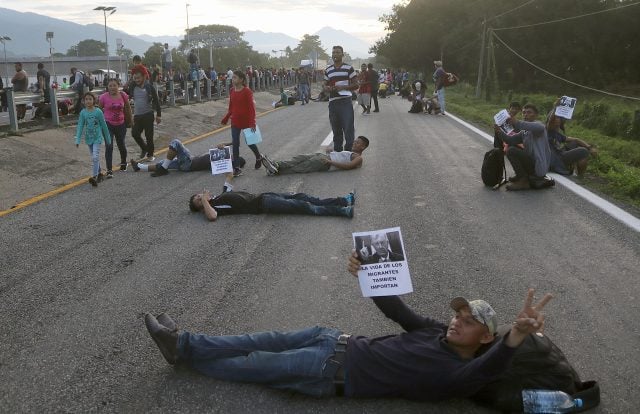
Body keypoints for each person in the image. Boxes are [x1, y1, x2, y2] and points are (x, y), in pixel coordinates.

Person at [144, 253, 553, 402]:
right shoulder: (435, 333)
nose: (456, 323)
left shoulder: (460, 374)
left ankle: (184, 354)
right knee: (257, 339)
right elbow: (400, 314)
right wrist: (368, 276)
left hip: (329, 372)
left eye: (467, 323)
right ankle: (185, 342)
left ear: (485, 338)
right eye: (457, 316)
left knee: (254, 362)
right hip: (332, 339)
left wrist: (514, 336)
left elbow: (490, 368)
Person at [129, 139, 244, 193]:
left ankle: (163, 169)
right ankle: (140, 167)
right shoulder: (221, 157)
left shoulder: (224, 162)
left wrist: (235, 168)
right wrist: (232, 142)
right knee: (164, 163)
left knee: (176, 143)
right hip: (188, 162)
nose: (232, 155)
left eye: (234, 157)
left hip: (189, 163)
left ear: (234, 161)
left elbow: (231, 171)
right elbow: (219, 144)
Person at [187, 190, 356, 221]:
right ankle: (342, 211)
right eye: (198, 199)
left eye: (198, 195)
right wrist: (204, 202)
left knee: (304, 196)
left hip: (265, 195)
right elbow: (212, 217)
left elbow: (229, 177)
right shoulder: (214, 209)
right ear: (200, 206)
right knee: (304, 205)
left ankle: (343, 200)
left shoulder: (217, 198)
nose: (200, 196)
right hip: (263, 204)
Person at [494, 104, 552, 191]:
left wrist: (516, 122)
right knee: (511, 146)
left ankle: (523, 181)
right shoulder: (524, 132)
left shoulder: (540, 127)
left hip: (538, 167)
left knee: (512, 150)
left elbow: (535, 127)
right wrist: (499, 131)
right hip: (531, 163)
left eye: (529, 112)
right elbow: (510, 140)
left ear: (536, 115)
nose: (525, 115)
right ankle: (521, 176)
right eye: (524, 113)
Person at [221, 70, 264, 177]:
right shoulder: (232, 90)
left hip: (246, 121)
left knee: (250, 142)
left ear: (241, 79)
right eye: (233, 77)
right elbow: (232, 107)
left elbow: (251, 108)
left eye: (235, 77)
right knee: (235, 143)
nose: (233, 79)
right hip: (235, 121)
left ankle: (258, 157)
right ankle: (237, 168)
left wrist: (252, 122)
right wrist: (226, 117)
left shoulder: (247, 91)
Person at [260, 136, 369, 176]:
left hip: (326, 162)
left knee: (301, 167)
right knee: (299, 158)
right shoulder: (350, 152)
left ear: (363, 147)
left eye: (358, 143)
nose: (354, 143)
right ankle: (276, 164)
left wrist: (330, 162)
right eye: (355, 141)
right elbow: (341, 157)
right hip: (323, 156)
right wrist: (331, 151)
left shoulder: (359, 158)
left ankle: (275, 171)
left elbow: (348, 166)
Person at [324, 46, 358, 151]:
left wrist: (343, 87)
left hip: (345, 102)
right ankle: (338, 151)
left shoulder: (349, 68)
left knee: (348, 128)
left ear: (342, 55)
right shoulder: (328, 70)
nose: (335, 54)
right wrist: (327, 88)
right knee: (336, 129)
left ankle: (348, 151)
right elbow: (324, 85)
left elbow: (356, 85)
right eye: (333, 52)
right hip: (333, 103)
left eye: (338, 52)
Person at [74, 92, 111, 186]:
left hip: (97, 138)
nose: (88, 101)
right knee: (94, 158)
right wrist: (77, 139)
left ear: (94, 100)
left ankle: (94, 177)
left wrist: (108, 139)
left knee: (95, 157)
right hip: (88, 139)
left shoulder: (98, 112)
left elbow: (104, 126)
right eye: (86, 99)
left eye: (90, 99)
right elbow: (80, 126)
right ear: (83, 101)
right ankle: (99, 174)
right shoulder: (83, 113)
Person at [547, 112, 597, 177]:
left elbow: (576, 140)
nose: (558, 119)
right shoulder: (546, 130)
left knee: (574, 143)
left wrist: (589, 148)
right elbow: (550, 121)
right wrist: (556, 107)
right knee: (583, 151)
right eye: (556, 117)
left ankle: (577, 172)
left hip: (560, 154)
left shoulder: (557, 134)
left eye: (559, 118)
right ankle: (580, 177)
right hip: (555, 159)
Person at [98, 78, 130, 175]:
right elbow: (99, 110)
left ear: (118, 86)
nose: (112, 87)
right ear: (107, 87)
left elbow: (128, 108)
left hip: (121, 124)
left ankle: (124, 162)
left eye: (114, 85)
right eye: (110, 85)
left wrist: (130, 121)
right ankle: (109, 169)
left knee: (121, 145)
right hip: (108, 124)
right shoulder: (103, 97)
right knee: (109, 146)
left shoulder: (123, 95)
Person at [129, 67, 162, 161]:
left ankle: (150, 154)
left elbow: (156, 100)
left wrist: (158, 115)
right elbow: (126, 93)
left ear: (144, 77)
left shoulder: (149, 87)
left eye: (138, 78)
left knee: (149, 135)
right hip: (137, 116)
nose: (137, 80)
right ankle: (144, 148)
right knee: (135, 133)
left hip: (148, 114)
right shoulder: (132, 86)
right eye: (135, 78)